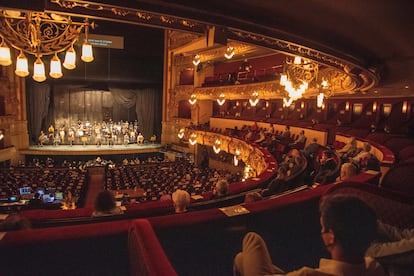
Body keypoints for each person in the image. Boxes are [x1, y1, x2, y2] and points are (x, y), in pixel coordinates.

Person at [233, 194, 386, 276]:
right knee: (242, 259)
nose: (321, 231)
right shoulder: (374, 267)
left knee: (252, 239)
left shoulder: (308, 274)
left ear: (331, 236)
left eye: (323, 227)